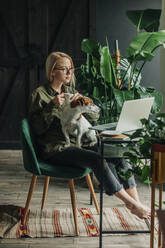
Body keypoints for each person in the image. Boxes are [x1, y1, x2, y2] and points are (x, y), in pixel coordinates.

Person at [28, 51, 150, 219]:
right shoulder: (39, 95)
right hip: (56, 149)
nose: (70, 73)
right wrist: (52, 106)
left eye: (71, 68)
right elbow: (37, 129)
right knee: (96, 160)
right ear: (52, 71)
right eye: (64, 69)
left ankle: (136, 203)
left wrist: (85, 103)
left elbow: (94, 117)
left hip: (79, 143)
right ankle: (132, 204)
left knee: (119, 153)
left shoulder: (70, 90)